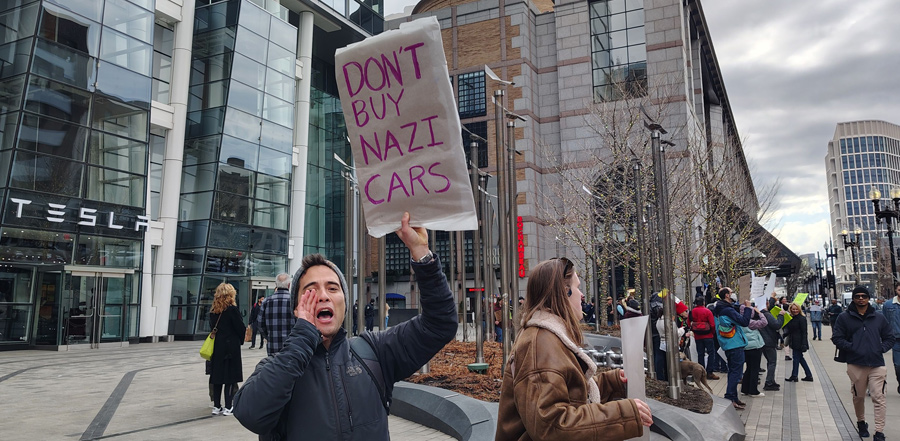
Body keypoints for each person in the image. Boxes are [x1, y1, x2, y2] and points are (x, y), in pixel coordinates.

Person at [233, 212, 457, 439]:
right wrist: (301, 340)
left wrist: (422, 255)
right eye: (310, 291)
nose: (322, 295)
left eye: (332, 288)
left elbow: (440, 323)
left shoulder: (374, 352)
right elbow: (251, 414)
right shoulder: (276, 368)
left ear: (345, 303)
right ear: (295, 308)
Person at [495, 257, 652, 440]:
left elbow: (568, 393)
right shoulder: (540, 344)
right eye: (577, 287)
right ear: (565, 292)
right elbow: (552, 427)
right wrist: (623, 414)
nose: (582, 295)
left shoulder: (547, 337)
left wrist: (611, 383)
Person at [832, 286, 895, 441]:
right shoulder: (844, 317)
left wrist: (881, 348)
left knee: (878, 397)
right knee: (858, 396)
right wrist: (852, 347)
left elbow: (890, 337)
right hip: (855, 363)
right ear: (853, 298)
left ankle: (879, 431)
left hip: (876, 363)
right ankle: (861, 422)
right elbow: (837, 338)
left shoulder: (878, 317)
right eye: (858, 296)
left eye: (864, 296)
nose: (861, 298)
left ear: (868, 298)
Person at [208, 283, 245, 416]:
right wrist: (241, 340)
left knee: (217, 377)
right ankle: (229, 406)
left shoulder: (214, 310)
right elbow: (240, 328)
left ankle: (217, 406)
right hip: (230, 347)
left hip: (217, 347)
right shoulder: (232, 309)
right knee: (230, 377)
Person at [713, 287, 753, 410]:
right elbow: (744, 321)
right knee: (736, 372)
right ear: (726, 295)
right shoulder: (727, 310)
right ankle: (730, 397)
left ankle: (733, 397)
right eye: (731, 292)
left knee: (733, 371)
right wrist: (748, 308)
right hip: (734, 344)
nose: (733, 294)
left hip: (728, 344)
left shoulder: (719, 308)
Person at [258, 273, 295, 356]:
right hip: (292, 346)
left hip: (273, 346)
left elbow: (260, 324)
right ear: (289, 285)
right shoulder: (294, 302)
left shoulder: (266, 302)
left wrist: (268, 336)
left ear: (276, 284)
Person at [739, 301, 768, 397]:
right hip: (754, 347)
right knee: (755, 369)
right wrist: (760, 313)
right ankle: (753, 391)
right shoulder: (750, 322)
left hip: (745, 346)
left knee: (749, 368)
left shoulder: (739, 320)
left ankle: (745, 389)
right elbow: (764, 322)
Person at [688, 296, 719, 380]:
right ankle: (710, 372)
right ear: (704, 302)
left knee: (700, 354)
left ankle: (701, 372)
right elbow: (712, 324)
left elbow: (689, 323)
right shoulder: (707, 311)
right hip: (708, 335)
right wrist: (712, 333)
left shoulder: (692, 312)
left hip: (698, 336)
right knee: (711, 353)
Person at [759, 298, 784, 391]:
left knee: (770, 361)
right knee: (772, 362)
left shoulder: (759, 314)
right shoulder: (766, 315)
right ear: (766, 303)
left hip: (763, 341)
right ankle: (769, 382)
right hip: (769, 341)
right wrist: (781, 316)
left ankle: (771, 380)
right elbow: (777, 325)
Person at [783, 302, 813, 382]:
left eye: (796, 309)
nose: (795, 311)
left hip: (799, 342)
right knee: (800, 358)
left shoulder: (802, 318)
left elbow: (804, 332)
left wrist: (804, 343)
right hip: (793, 340)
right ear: (791, 310)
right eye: (793, 309)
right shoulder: (791, 318)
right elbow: (788, 329)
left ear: (799, 310)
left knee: (796, 358)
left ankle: (794, 375)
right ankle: (809, 375)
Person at [881, 283, 900, 393]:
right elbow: (884, 322)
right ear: (896, 290)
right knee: (898, 366)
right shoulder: (888, 305)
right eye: (899, 290)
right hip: (896, 339)